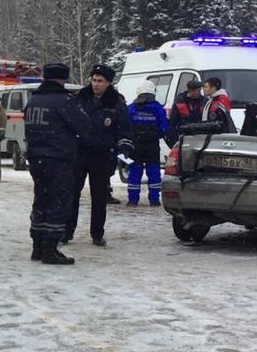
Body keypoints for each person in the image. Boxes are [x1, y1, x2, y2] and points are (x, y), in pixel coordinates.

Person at [24, 63, 98, 264]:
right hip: (59, 158)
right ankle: (51, 249)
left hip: (36, 157)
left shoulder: (33, 101)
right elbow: (84, 126)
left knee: (41, 199)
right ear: (63, 78)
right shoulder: (65, 101)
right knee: (59, 201)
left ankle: (37, 246)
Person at [68, 64, 131, 245]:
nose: (95, 84)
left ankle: (97, 234)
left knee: (99, 196)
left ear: (108, 83)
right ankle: (67, 230)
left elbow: (124, 129)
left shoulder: (116, 102)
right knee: (72, 193)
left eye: (100, 81)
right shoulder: (80, 97)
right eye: (94, 80)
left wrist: (124, 152)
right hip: (79, 153)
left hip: (102, 155)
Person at [125, 81, 169, 206]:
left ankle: (133, 201)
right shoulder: (158, 108)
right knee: (154, 172)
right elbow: (164, 127)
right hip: (152, 146)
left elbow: (125, 126)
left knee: (134, 172)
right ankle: (154, 200)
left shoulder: (131, 108)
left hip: (135, 146)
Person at [166, 78, 205, 145]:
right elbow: (172, 122)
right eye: (198, 91)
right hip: (184, 136)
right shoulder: (180, 102)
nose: (199, 93)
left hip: (200, 136)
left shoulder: (203, 100)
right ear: (191, 91)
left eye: (200, 91)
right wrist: (174, 141)